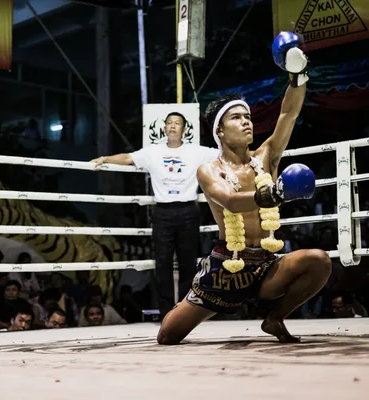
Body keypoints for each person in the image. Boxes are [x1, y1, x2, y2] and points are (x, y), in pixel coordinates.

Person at [157, 32, 332, 345]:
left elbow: (288, 113)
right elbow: (229, 201)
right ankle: (199, 303)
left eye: (248, 117)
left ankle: (274, 317)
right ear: (220, 131)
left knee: (319, 260)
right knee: (168, 335)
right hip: (226, 266)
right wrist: (275, 193)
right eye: (237, 118)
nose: (247, 122)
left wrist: (297, 75)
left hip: (266, 264)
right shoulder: (209, 169)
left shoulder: (266, 156)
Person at [91, 112, 218, 318]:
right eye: (169, 123)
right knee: (163, 263)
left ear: (185, 130)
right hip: (163, 212)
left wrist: (253, 152)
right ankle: (167, 313)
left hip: (188, 209)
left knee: (187, 262)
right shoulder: (153, 152)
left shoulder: (196, 151)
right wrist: (104, 158)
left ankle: (186, 312)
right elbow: (127, 158)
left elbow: (222, 153)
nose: (173, 126)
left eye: (177, 123)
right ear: (164, 129)